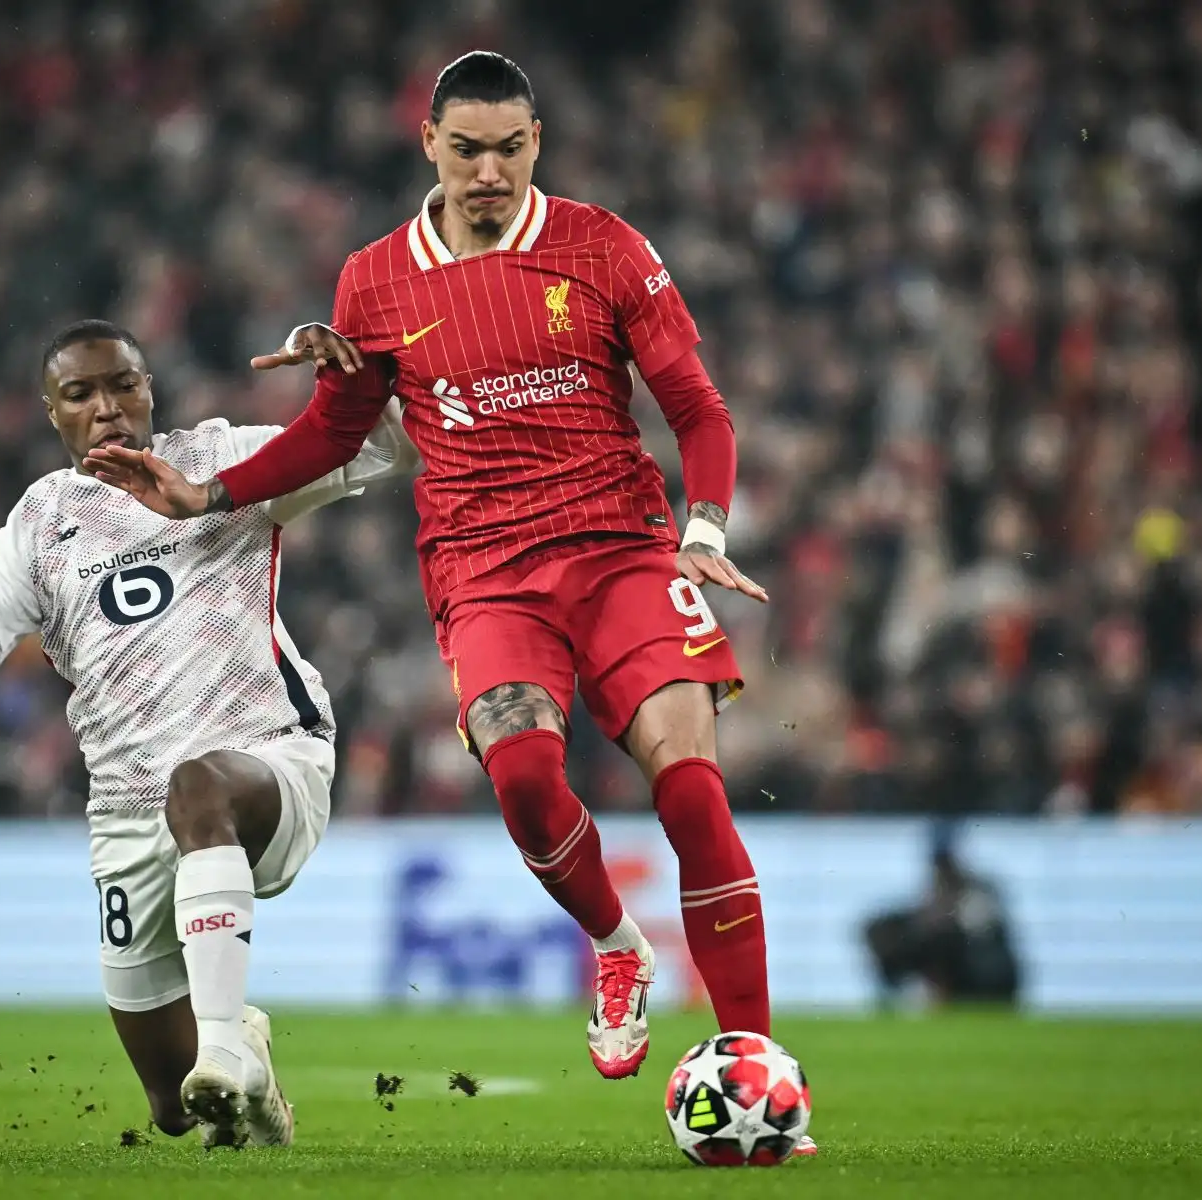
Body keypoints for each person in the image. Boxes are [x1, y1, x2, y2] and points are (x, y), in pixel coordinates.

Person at [87, 50, 792, 1120]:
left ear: (536, 145)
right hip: (487, 572)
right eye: (467, 150)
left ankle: (753, 1067)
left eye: (510, 149)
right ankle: (615, 945)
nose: (489, 172)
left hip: (624, 551)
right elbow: (336, 430)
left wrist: (703, 526)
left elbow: (698, 407)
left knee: (691, 788)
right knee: (519, 777)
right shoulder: (374, 280)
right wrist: (208, 493)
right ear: (430, 146)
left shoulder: (605, 248)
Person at [0, 319, 416, 1147]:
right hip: (129, 814)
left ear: (150, 388)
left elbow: (386, 450)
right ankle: (247, 1064)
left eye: (123, 384)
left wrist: (355, 377)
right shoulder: (41, 524)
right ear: (51, 413)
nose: (106, 407)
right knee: (175, 1111)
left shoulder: (216, 460)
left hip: (268, 758)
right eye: (80, 394)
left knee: (198, 787)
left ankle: (229, 1042)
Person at [864, 839, 1021, 1010]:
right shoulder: (934, 895)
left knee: (940, 940)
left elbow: (978, 932)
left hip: (984, 974)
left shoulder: (977, 893)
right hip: (963, 962)